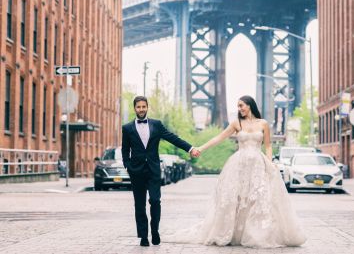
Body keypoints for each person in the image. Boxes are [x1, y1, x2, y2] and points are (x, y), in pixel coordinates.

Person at [168, 95, 306, 248]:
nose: (239, 109)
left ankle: (255, 234)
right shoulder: (236, 123)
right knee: (237, 199)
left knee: (258, 199)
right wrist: (200, 148)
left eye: (241, 105)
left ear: (249, 105)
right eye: (238, 106)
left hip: (258, 165)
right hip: (239, 165)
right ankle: (235, 233)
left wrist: (270, 162)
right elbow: (219, 138)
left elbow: (267, 146)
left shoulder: (263, 124)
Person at [121, 96, 200, 247]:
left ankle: (155, 230)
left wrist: (190, 148)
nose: (141, 109)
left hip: (153, 170)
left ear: (147, 107)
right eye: (139, 107)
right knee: (139, 204)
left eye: (144, 106)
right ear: (134, 109)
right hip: (136, 171)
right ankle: (143, 236)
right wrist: (128, 166)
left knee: (155, 200)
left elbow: (173, 138)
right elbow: (125, 149)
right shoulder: (127, 128)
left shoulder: (156, 125)